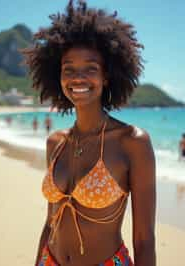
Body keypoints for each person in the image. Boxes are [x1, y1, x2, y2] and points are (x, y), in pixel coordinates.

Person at [22, 1, 156, 265]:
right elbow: (51, 222)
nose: (78, 78)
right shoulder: (56, 143)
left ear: (106, 76)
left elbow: (144, 239)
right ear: (57, 76)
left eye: (90, 69)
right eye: (68, 69)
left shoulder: (132, 142)